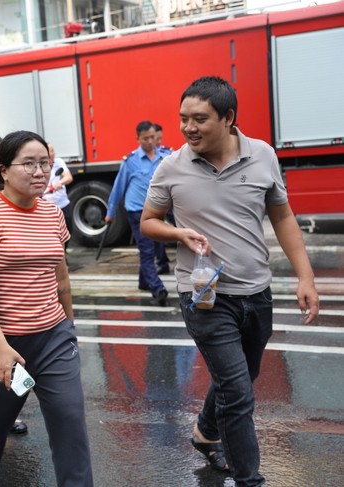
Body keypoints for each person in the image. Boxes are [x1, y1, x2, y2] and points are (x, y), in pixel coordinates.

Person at [141, 76, 319, 487]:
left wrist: (305, 276)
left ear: (228, 118)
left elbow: (282, 216)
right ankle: (249, 479)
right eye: (183, 119)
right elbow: (149, 222)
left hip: (256, 293)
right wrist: (178, 233)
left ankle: (206, 431)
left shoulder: (263, 156)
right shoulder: (171, 167)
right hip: (203, 295)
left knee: (239, 376)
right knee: (238, 393)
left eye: (199, 119)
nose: (189, 128)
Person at [0, 130, 93, 487]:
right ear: (3, 170)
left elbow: (61, 278)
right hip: (3, 341)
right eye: (28, 164)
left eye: (44, 164)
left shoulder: (52, 214)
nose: (39, 172)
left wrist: (69, 327)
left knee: (70, 421)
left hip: (53, 338)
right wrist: (0, 346)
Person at [105, 120, 171, 305]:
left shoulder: (165, 157)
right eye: (145, 138)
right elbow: (119, 188)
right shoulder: (131, 162)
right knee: (147, 250)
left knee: (156, 246)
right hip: (137, 212)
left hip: (158, 210)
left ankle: (144, 281)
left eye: (152, 137)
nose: (150, 141)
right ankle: (158, 288)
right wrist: (110, 212)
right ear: (138, 139)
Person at [42, 143, 74, 246]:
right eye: (51, 151)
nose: (54, 152)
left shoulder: (59, 162)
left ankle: (64, 255)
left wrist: (60, 183)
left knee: (68, 230)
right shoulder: (40, 166)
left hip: (63, 203)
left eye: (53, 150)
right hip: (48, 206)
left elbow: (68, 177)